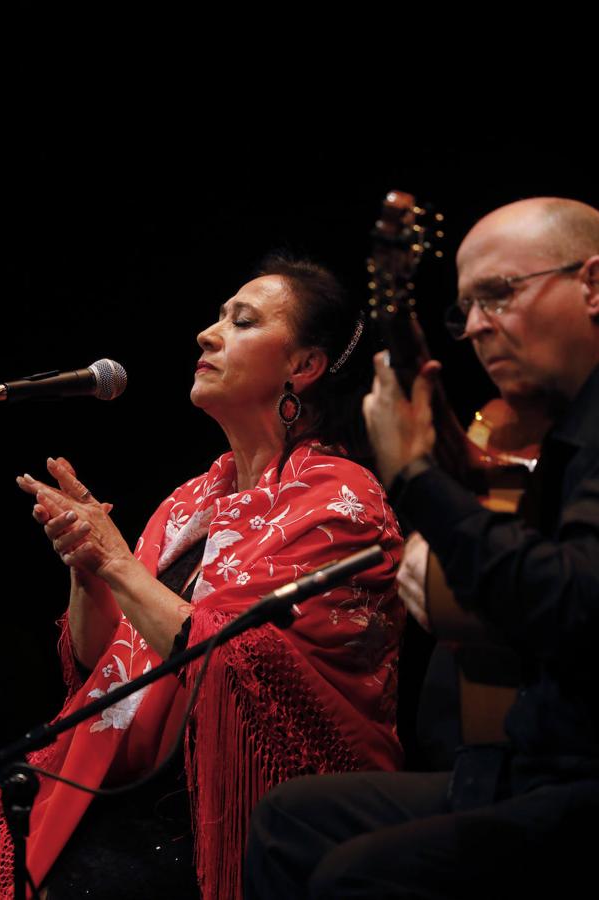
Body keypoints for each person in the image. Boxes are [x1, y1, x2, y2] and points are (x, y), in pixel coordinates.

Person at [0, 256, 404, 900]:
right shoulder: (190, 502)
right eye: (217, 317)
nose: (207, 334)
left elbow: (234, 664)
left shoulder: (339, 502)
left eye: (241, 322)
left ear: (304, 367)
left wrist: (117, 563)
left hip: (242, 815)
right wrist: (88, 570)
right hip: (135, 799)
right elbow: (98, 662)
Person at [244, 197, 599, 899]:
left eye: (497, 295)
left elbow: (574, 601)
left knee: (359, 875)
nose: (474, 328)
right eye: (463, 308)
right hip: (529, 762)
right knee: (291, 821)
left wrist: (410, 475)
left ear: (592, 285)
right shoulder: (561, 434)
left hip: (582, 778)